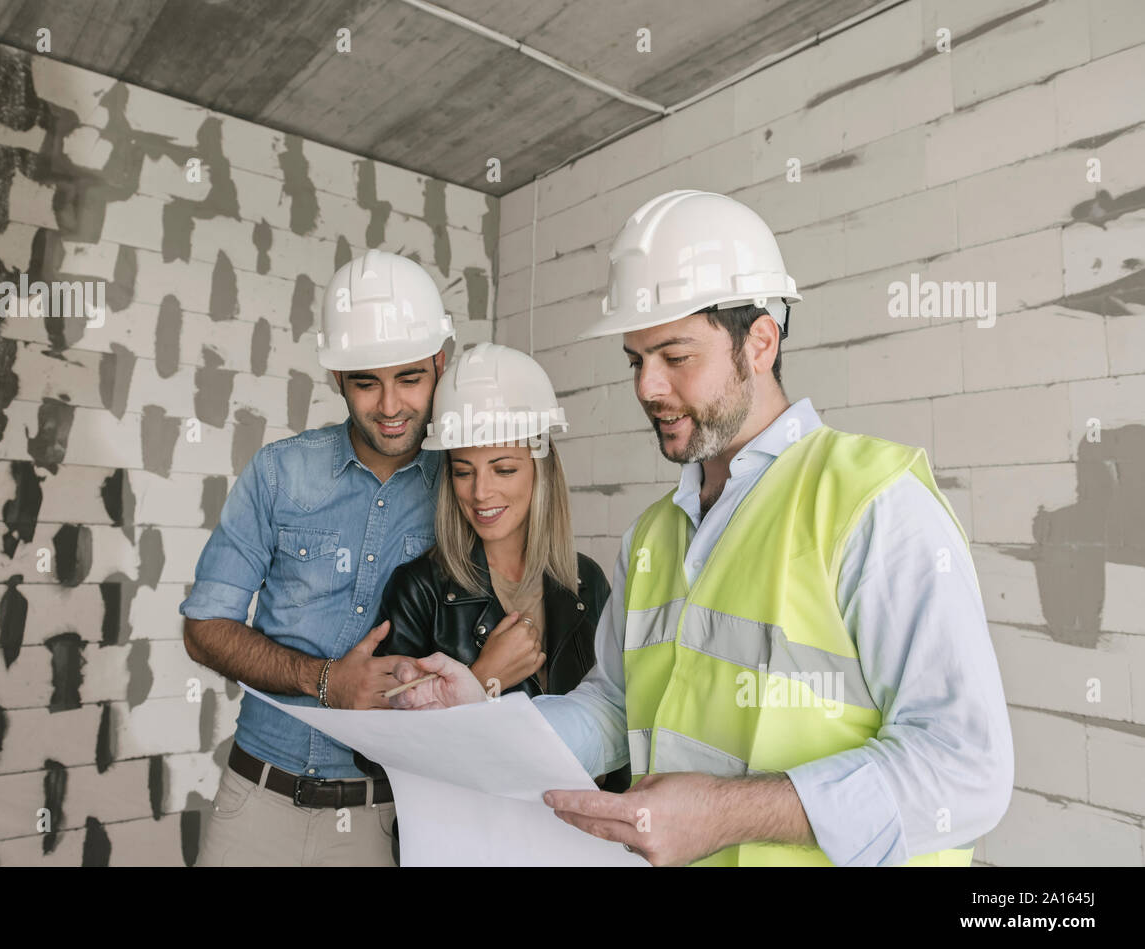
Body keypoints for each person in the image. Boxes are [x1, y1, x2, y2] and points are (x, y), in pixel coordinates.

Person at [389, 190, 1015, 867]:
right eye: (636, 360)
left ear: (761, 342)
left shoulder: (873, 503)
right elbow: (610, 710)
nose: (647, 388)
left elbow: (965, 769)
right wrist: (487, 724)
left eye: (674, 356)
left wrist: (723, 812)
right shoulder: (655, 535)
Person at [180, 249, 452, 866]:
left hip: (386, 817)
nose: (389, 406)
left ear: (441, 361)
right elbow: (204, 628)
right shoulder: (280, 474)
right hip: (258, 798)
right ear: (337, 378)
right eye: (365, 381)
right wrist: (326, 682)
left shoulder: (461, 489)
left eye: (409, 378)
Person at [355, 343, 628, 861]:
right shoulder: (420, 589)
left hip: (569, 846)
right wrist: (482, 682)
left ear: (540, 471)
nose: (480, 493)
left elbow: (612, 724)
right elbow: (374, 753)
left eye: (503, 469)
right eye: (463, 470)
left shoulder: (585, 583)